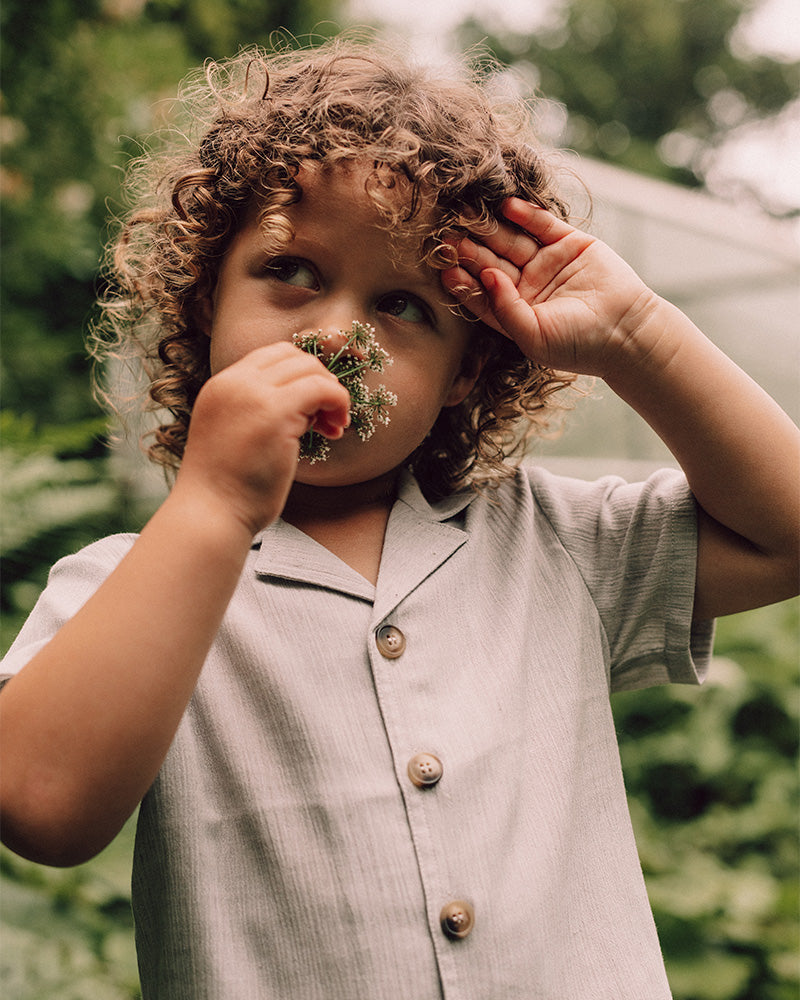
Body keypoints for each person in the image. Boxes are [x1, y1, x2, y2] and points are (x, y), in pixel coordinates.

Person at [0, 36, 797, 1000]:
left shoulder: (556, 544)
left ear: (466, 371)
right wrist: (213, 503)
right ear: (208, 301)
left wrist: (635, 337)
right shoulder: (132, 581)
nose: (339, 333)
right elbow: (42, 805)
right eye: (291, 270)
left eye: (404, 305)